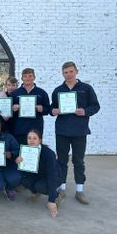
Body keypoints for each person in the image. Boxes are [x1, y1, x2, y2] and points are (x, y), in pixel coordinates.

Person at [50, 61, 100, 205]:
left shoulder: (86, 88)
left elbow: (95, 106)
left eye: (71, 71)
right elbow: (52, 108)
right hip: (62, 131)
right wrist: (54, 111)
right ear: (62, 74)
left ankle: (79, 191)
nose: (68, 74)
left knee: (78, 161)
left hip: (80, 131)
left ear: (76, 71)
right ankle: (62, 188)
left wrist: (85, 111)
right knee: (62, 161)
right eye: (65, 72)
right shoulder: (58, 90)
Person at [17, 129, 64, 218]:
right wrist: (18, 162)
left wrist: (51, 200)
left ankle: (57, 195)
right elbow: (26, 171)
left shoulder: (48, 153)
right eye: (29, 138)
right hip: (39, 175)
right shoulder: (25, 151)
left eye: (35, 138)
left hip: (54, 177)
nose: (31, 140)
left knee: (40, 186)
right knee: (24, 179)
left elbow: (52, 176)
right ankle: (36, 193)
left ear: (40, 140)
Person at [11, 68, 50, 145]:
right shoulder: (15, 93)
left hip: (36, 129)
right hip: (19, 129)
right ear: (22, 78)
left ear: (34, 77)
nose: (27, 78)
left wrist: (42, 109)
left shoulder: (42, 92)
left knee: (35, 153)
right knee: (20, 153)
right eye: (25, 76)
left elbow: (48, 109)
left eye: (30, 76)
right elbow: (9, 112)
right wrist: (13, 109)